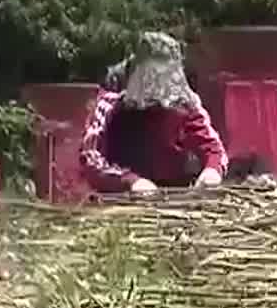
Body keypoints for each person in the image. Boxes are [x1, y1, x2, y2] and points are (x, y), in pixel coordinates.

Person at [79, 31, 228, 196]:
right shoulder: (109, 105)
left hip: (174, 206)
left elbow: (214, 149)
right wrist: (130, 181)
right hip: (118, 203)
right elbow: (90, 157)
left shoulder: (187, 107)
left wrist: (212, 171)